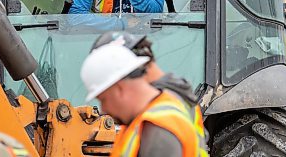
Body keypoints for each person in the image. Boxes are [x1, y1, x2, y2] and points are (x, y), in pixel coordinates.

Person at [80, 42, 208, 157]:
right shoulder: (145, 120)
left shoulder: (157, 133)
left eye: (103, 99)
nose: (104, 109)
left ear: (119, 88)